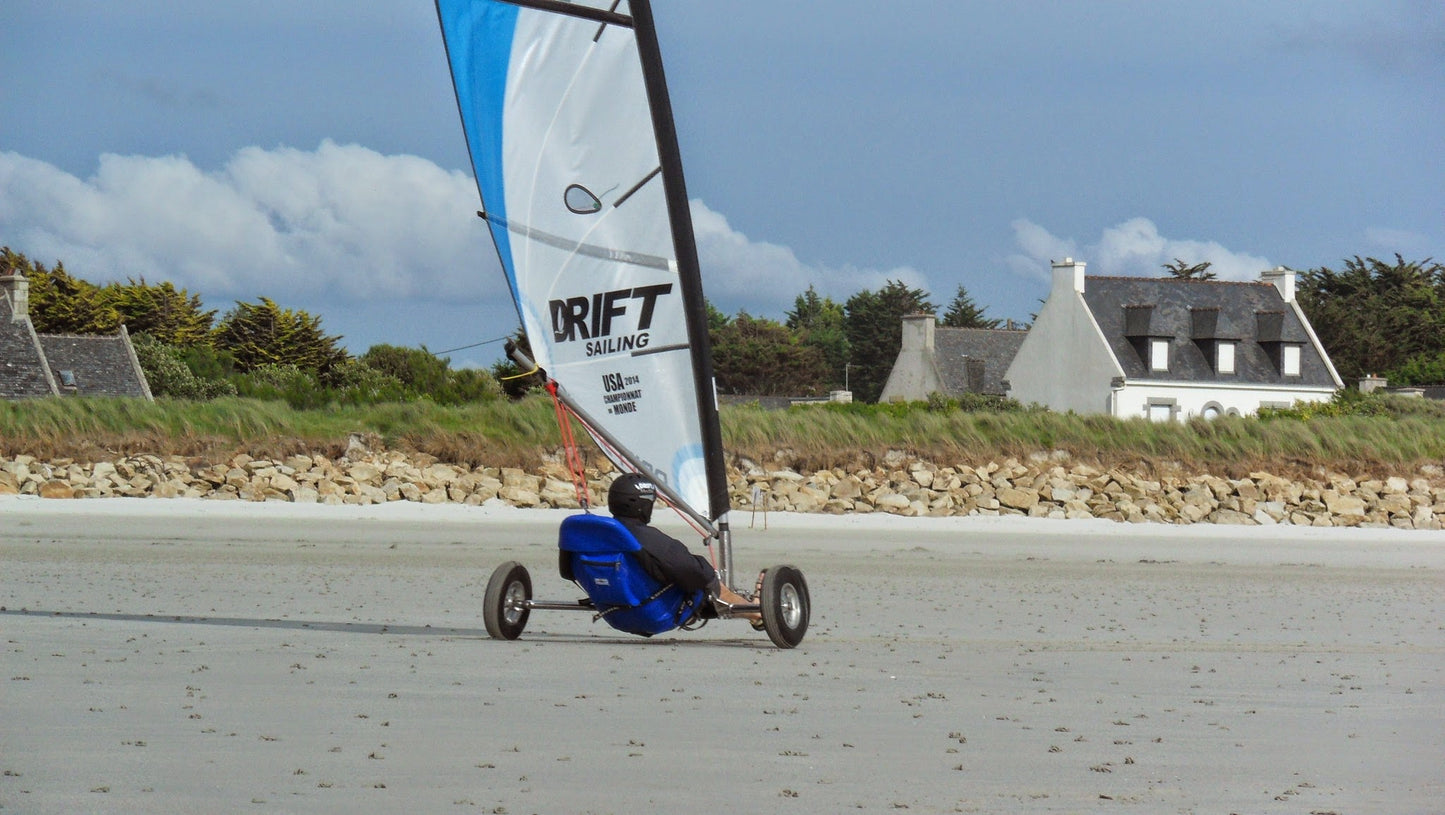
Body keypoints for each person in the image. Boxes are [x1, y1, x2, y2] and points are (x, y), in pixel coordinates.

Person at [605, 472, 759, 619]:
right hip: (651, 610)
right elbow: (689, 569)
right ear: (644, 506)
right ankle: (754, 612)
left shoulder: (599, 533)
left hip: (610, 606)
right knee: (706, 578)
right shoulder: (646, 538)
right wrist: (706, 573)